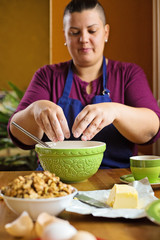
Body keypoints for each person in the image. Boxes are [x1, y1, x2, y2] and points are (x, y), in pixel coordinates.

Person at [8, 0, 160, 169]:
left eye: (92, 30)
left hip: (116, 182)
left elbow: (151, 130)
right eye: (74, 32)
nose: (83, 39)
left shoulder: (129, 73)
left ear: (106, 32)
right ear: (65, 36)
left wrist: (116, 111)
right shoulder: (47, 76)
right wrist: (34, 111)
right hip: (54, 183)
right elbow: (17, 133)